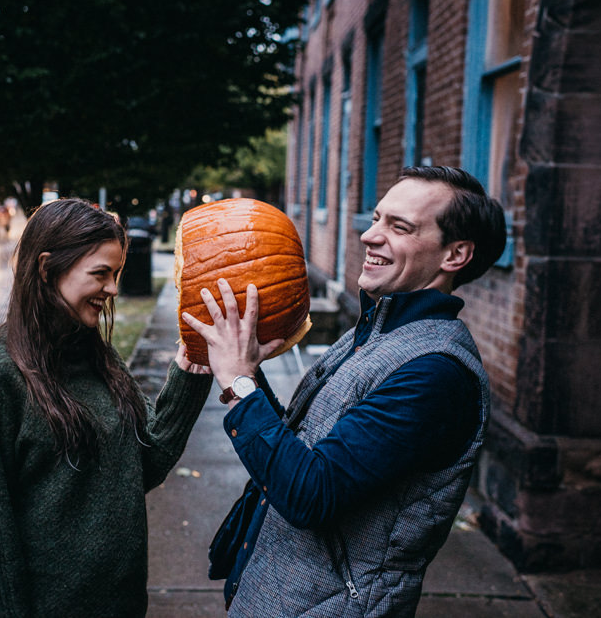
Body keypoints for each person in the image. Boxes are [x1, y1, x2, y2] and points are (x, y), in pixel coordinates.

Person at [183, 166, 507, 616]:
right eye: (376, 218)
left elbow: (310, 493)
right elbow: (302, 447)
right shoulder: (377, 330)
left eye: (399, 227)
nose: (369, 236)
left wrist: (238, 384)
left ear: (455, 255)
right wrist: (251, 374)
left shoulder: (436, 376)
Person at [0, 197, 212, 617]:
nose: (113, 289)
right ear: (47, 269)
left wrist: (192, 371)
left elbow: (142, 465)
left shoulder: (99, 360)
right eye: (100, 274)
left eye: (117, 273)